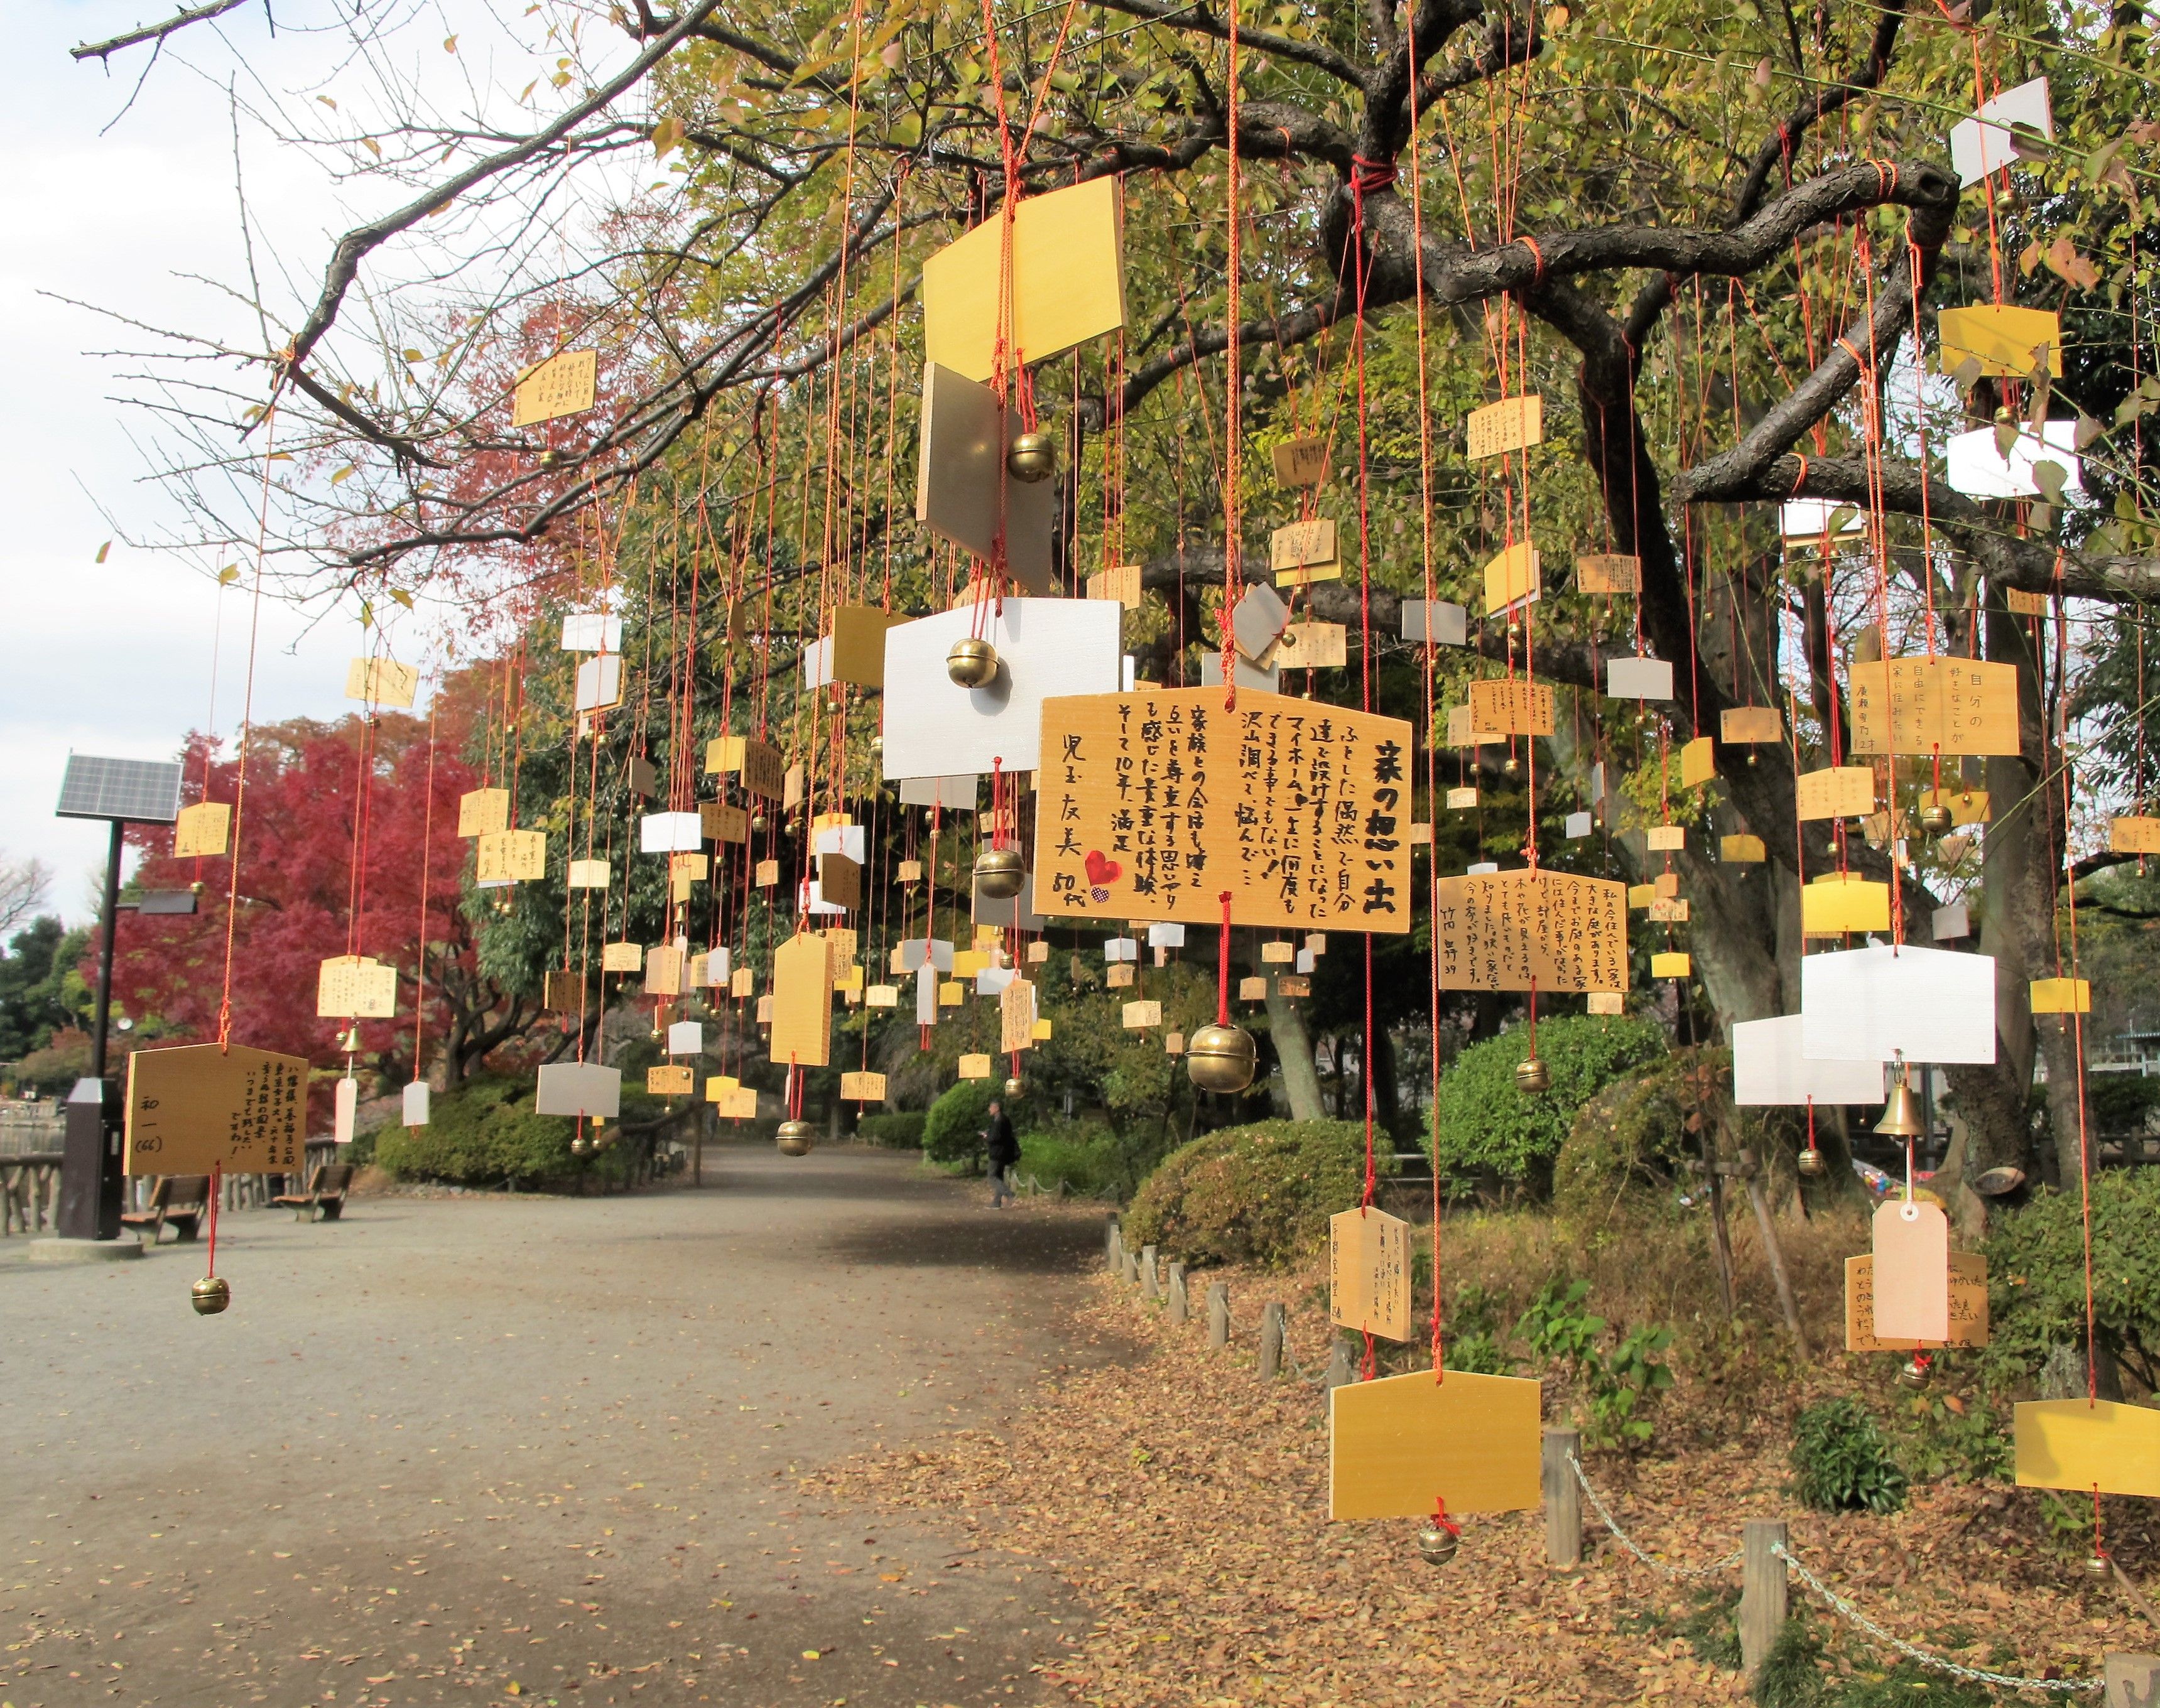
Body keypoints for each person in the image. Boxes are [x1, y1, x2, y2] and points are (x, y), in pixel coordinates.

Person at [982, 1098, 1019, 1208]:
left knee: (992, 1176)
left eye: (991, 1107)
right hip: (1003, 1152)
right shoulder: (1002, 1120)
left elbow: (996, 1137)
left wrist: (987, 1137)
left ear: (997, 1108)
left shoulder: (1000, 1121)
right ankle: (996, 1203)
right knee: (999, 1176)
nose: (989, 1109)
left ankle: (1009, 1193)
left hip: (998, 1153)